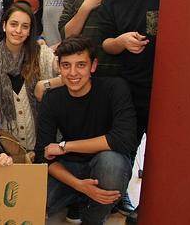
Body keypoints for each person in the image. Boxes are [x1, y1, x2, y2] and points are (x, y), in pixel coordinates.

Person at [35, 36, 137, 225]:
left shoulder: (114, 88)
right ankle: (80, 197)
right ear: (59, 67)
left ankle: (92, 217)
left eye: (81, 65)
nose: (73, 73)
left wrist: (65, 146)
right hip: (71, 168)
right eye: (66, 65)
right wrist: (81, 186)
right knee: (35, 199)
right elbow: (43, 155)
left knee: (112, 166)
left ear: (93, 66)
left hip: (104, 163)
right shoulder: (52, 100)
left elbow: (124, 139)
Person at [98, 0, 161, 222]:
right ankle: (121, 193)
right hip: (128, 85)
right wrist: (121, 41)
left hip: (165, 86)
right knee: (126, 145)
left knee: (163, 153)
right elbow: (105, 44)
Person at [0, 2, 60, 152]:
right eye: (14, 24)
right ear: (4, 26)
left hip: (44, 143)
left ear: (30, 31)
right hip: (8, 148)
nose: (18, 31)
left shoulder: (42, 54)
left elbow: (69, 77)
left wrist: (45, 84)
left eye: (25, 26)